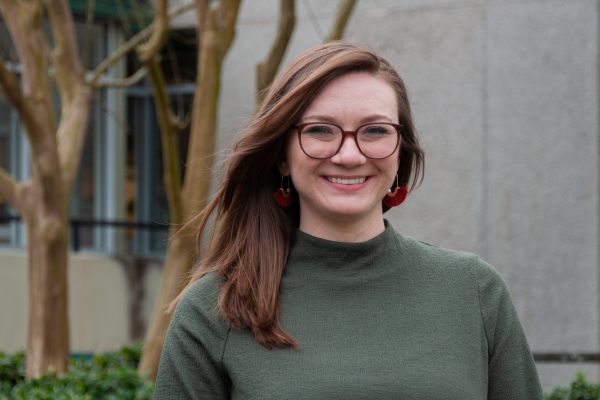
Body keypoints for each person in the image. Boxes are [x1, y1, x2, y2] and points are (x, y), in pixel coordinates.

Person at [152, 42, 543, 399]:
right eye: (320, 130)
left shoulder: (473, 290)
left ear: (399, 153)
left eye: (375, 130)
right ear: (282, 155)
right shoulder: (215, 308)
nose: (350, 155)